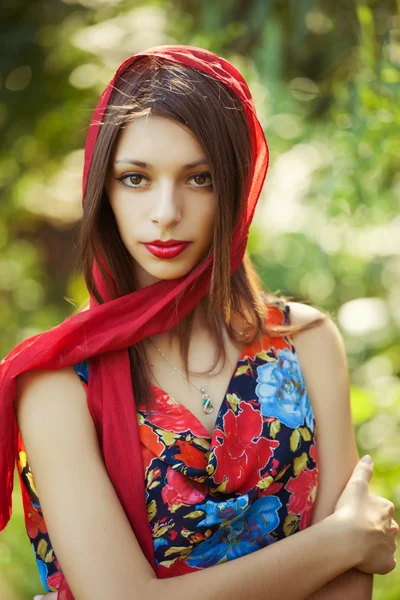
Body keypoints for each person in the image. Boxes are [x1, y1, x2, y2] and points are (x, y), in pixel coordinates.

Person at [0, 46, 397, 600]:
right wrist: (339, 543)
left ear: (236, 186)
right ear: (102, 190)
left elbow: (347, 593)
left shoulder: (305, 344)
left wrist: (346, 552)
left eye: (200, 178)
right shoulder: (58, 382)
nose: (165, 211)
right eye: (135, 179)